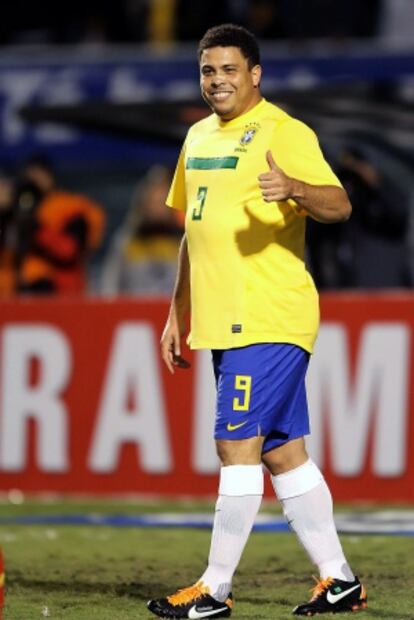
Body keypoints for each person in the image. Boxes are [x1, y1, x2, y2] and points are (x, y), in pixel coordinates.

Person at [148, 24, 366, 618]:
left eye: (228, 70)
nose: (217, 81)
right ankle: (339, 581)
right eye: (207, 71)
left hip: (268, 315)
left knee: (234, 444)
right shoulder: (196, 136)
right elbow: (194, 233)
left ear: (255, 75)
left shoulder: (283, 130)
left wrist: (294, 186)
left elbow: (339, 204)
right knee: (281, 452)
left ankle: (214, 590)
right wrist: (176, 313)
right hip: (224, 319)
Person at [14, 156, 105, 295]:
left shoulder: (69, 208)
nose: (33, 181)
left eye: (38, 175)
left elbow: (69, 250)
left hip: (60, 291)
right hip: (21, 289)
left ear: (49, 176)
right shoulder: (15, 208)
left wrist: (36, 229)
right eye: (29, 176)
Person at [101, 166, 183, 296]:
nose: (157, 210)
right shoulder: (126, 241)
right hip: (134, 313)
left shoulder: (184, 242)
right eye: (153, 202)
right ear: (143, 204)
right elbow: (110, 286)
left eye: (162, 203)